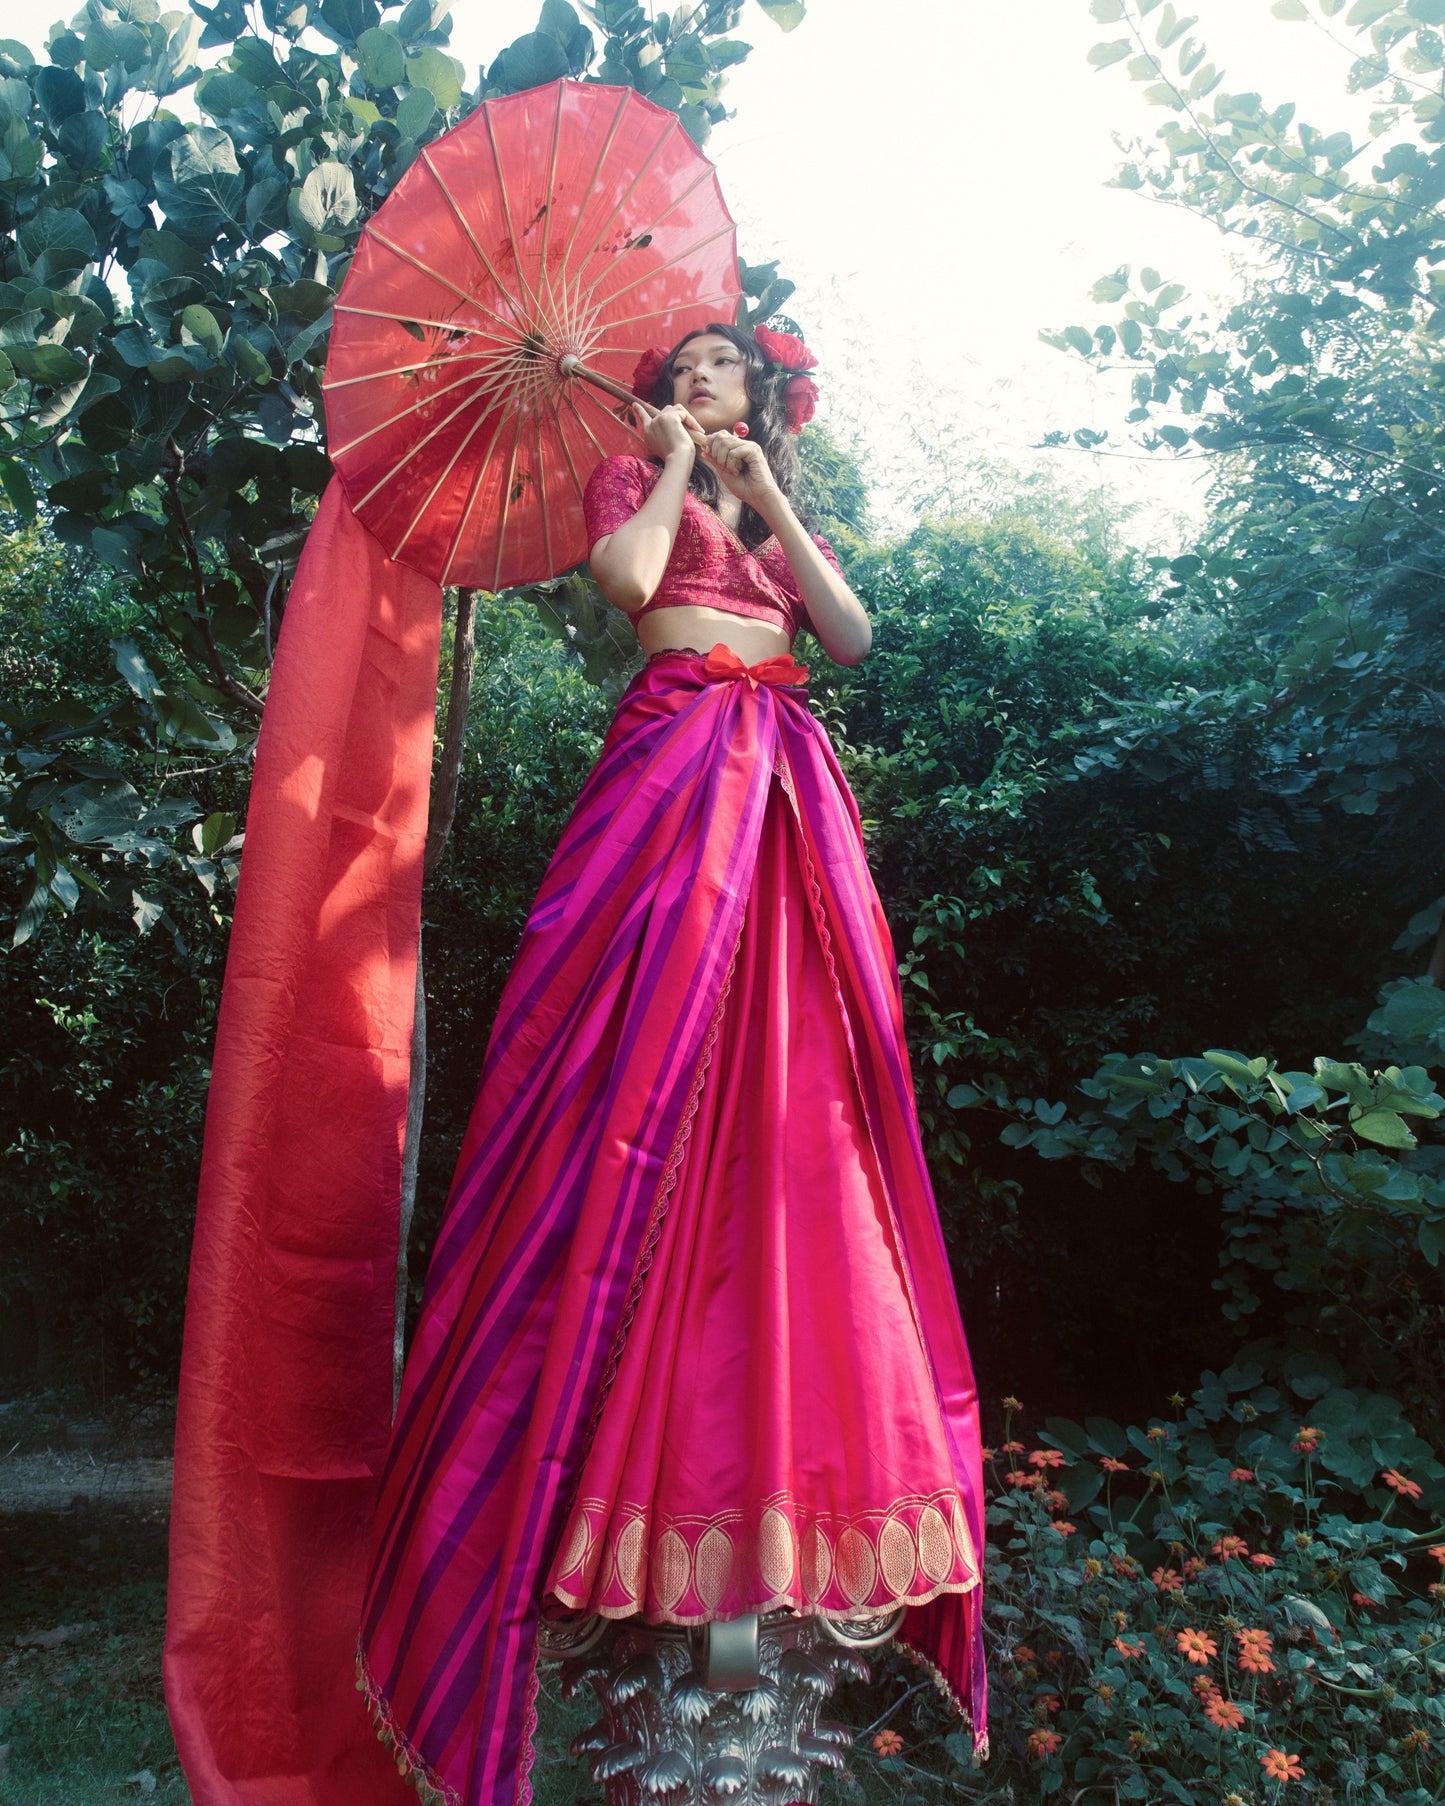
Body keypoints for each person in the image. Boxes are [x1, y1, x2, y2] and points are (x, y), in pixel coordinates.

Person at [356, 324, 988, 1806]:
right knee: (635, 1055)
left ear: (766, 393)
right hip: (679, 770)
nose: (704, 377)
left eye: (725, 365)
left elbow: (846, 638)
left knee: (807, 1086)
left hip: (786, 792)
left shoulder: (766, 501)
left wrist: (765, 500)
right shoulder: (625, 477)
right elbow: (637, 590)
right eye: (690, 366)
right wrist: (679, 470)